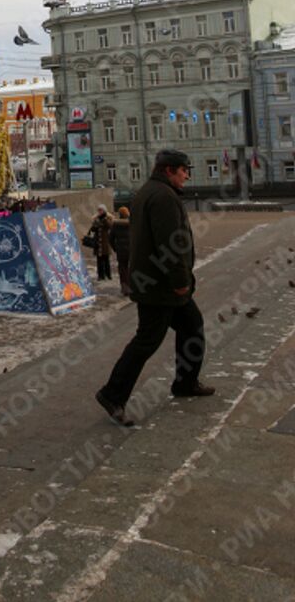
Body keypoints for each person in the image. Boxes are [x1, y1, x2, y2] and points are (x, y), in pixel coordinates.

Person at [96, 150, 215, 426]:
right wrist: (180, 283)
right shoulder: (162, 197)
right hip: (161, 286)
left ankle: (185, 382)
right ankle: (112, 394)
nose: (187, 175)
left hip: (155, 282)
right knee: (147, 340)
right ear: (169, 170)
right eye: (184, 170)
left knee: (192, 325)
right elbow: (170, 245)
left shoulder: (150, 191)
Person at [109, 206, 131, 296]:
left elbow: (110, 239)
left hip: (121, 251)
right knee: (131, 268)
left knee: (122, 270)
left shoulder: (115, 225)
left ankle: (125, 289)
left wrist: (115, 248)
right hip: (131, 251)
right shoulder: (132, 224)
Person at [87, 204, 112, 280]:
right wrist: (95, 223)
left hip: (105, 243)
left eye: (100, 210)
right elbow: (92, 229)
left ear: (104, 210)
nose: (99, 211)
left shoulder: (108, 218)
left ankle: (108, 275)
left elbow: (109, 226)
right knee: (99, 260)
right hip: (98, 242)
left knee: (106, 260)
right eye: (98, 210)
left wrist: (104, 219)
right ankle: (100, 276)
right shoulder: (96, 219)